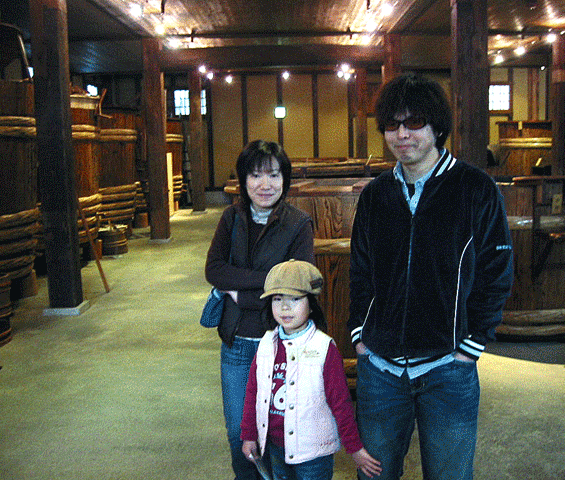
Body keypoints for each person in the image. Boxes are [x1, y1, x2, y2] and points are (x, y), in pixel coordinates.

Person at [348, 72, 514, 480]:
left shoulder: (476, 189)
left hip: (448, 369)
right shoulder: (375, 196)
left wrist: (470, 346)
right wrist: (360, 336)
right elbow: (360, 272)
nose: (402, 134)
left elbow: (496, 273)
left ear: (437, 126)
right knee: (375, 475)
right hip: (380, 370)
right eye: (392, 124)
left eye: (415, 122)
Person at [205, 140, 315, 480]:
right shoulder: (231, 218)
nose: (265, 184)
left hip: (282, 344)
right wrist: (270, 280)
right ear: (243, 180)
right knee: (240, 435)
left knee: (280, 436)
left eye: (273, 175)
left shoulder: (299, 223)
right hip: (237, 344)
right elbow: (214, 270)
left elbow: (298, 287)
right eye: (255, 175)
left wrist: (240, 295)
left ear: (285, 179)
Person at [240, 259, 382, 480]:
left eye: (295, 299)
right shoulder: (266, 344)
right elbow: (253, 393)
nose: (285, 307)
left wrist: (354, 447)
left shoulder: (324, 348)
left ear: (312, 303)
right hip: (275, 447)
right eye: (277, 299)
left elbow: (341, 402)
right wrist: (249, 435)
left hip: (313, 455)